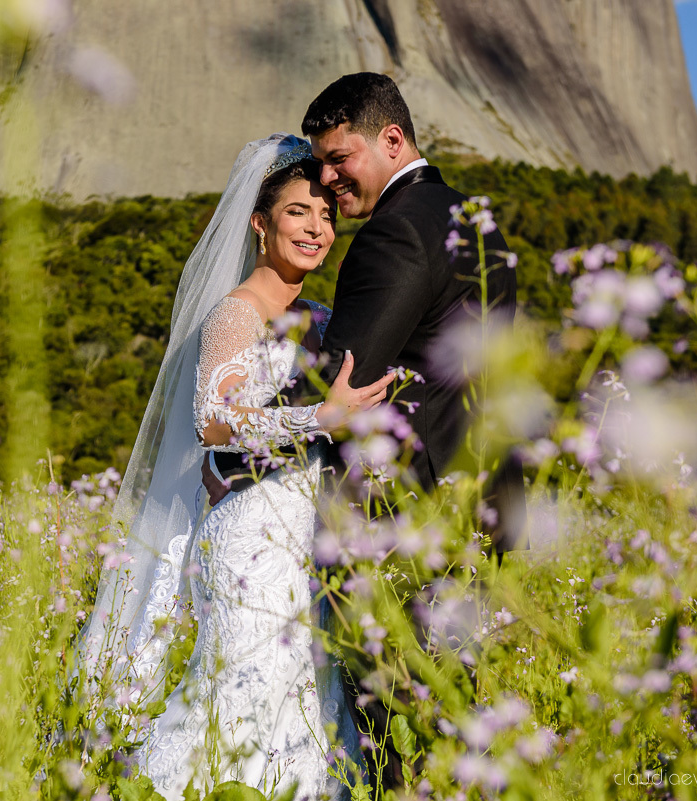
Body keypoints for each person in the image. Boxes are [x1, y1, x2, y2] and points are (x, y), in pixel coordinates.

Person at [206, 72, 529, 791]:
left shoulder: (396, 231)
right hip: (473, 506)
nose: (327, 177)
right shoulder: (471, 218)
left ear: (391, 139)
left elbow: (338, 382)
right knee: (442, 720)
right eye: (317, 166)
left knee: (400, 735)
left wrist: (236, 451)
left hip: (402, 518)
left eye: (337, 158)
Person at [77, 134, 393, 800]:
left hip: (312, 532)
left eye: (326, 215)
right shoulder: (235, 313)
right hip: (248, 529)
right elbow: (213, 423)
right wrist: (320, 419)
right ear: (259, 223)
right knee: (242, 679)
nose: (316, 228)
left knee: (309, 692)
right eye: (297, 213)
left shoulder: (325, 317)